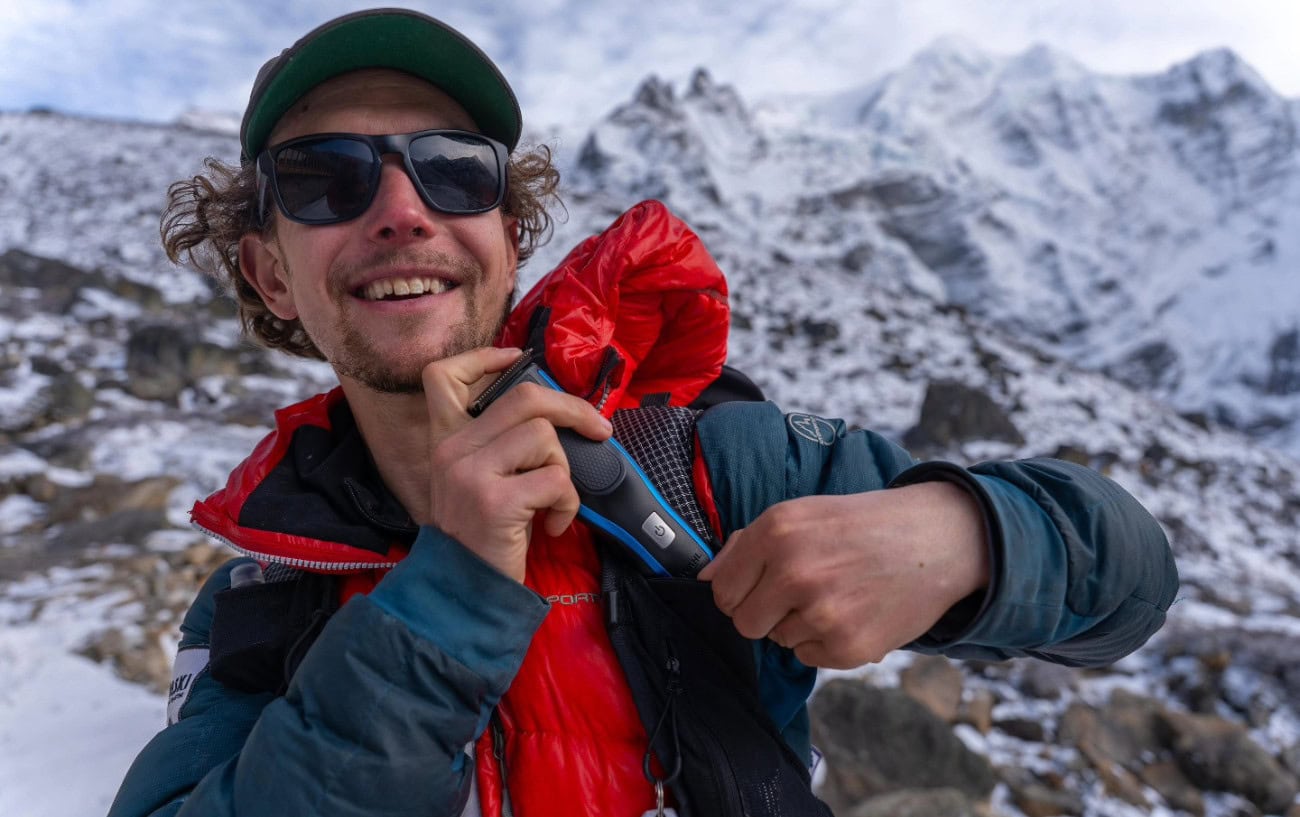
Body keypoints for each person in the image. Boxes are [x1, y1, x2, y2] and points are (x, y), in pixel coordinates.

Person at [108, 8, 1178, 817]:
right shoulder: (261, 596)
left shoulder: (696, 466)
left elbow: (1128, 580)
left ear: (507, 236)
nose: (400, 212)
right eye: (324, 178)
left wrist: (966, 534)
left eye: (451, 171)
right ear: (270, 273)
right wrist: (451, 593)